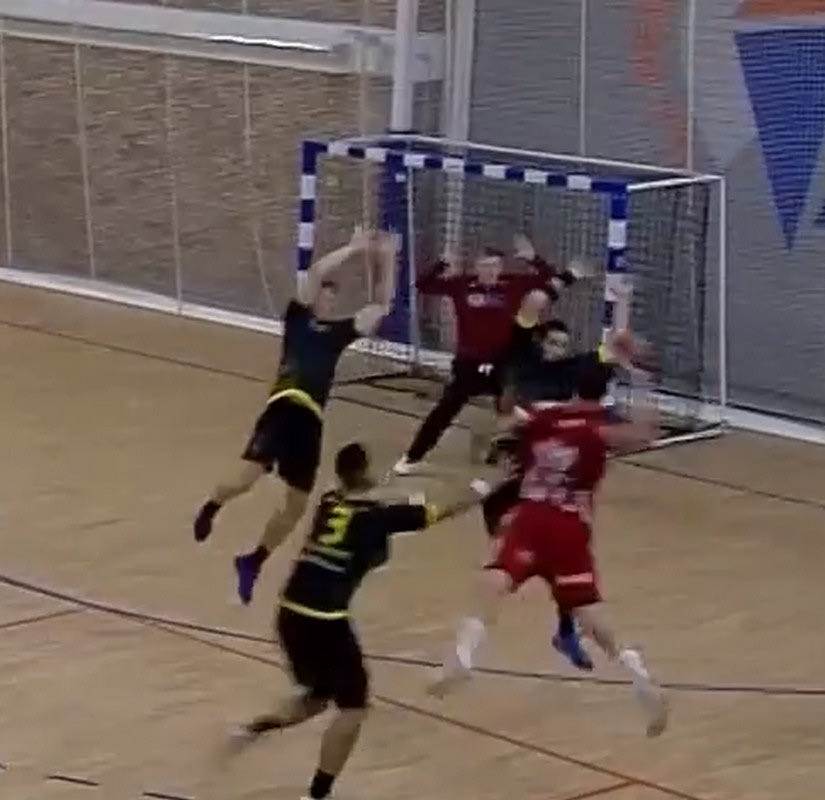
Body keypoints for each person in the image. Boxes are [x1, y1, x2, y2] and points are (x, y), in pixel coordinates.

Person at [425, 361, 669, 738]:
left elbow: (502, 423)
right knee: (590, 613)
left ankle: (462, 657)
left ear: (573, 388)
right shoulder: (600, 428)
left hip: (532, 517)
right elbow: (646, 435)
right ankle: (639, 675)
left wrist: (507, 388)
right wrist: (641, 378)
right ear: (604, 393)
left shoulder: (547, 416)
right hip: (570, 527)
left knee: (493, 583)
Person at [227, 441, 481, 800]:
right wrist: (481, 488)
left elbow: (366, 506)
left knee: (318, 697)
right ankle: (317, 795)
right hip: (325, 619)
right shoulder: (379, 517)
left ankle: (253, 728)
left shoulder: (329, 501)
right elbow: (444, 509)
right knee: (353, 709)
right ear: (364, 472)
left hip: (291, 611)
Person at [193, 228, 397, 605]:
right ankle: (212, 506)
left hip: (311, 421)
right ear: (314, 296)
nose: (327, 300)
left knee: (297, 506)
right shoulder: (297, 318)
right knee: (245, 478)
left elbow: (381, 306)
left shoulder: (338, 333)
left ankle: (253, 561)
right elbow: (317, 271)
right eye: (324, 294)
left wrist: (387, 258)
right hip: (284, 407)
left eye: (333, 297)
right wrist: (354, 248)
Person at [480, 321, 640, 671]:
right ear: (540, 343)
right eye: (552, 343)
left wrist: (622, 348)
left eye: (563, 344)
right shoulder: (526, 373)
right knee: (518, 537)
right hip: (528, 482)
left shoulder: (573, 372)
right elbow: (507, 421)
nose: (558, 350)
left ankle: (566, 629)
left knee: (566, 561)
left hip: (560, 488)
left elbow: (603, 357)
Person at [392, 234, 586, 474]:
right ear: (476, 266)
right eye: (485, 265)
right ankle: (412, 457)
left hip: (503, 360)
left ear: (501, 267)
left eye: (495, 266)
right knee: (446, 408)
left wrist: (533, 258)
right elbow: (423, 286)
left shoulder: (512, 284)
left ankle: (524, 458)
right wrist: (441, 264)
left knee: (517, 407)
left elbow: (548, 281)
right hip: (468, 362)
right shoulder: (462, 285)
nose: (490, 271)